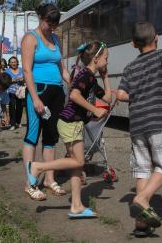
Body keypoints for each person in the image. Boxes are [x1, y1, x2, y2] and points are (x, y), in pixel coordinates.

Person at [27, 41, 111, 218]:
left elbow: (108, 98)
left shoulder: (91, 77)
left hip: (73, 123)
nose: (107, 61)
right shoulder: (85, 75)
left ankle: (76, 206)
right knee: (79, 163)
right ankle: (38, 167)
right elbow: (74, 95)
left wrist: (105, 76)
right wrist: (94, 109)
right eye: (106, 58)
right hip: (70, 122)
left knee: (76, 166)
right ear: (96, 58)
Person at [116, 22, 162, 236]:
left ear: (134, 43)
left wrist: (137, 95)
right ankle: (142, 199)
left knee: (142, 169)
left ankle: (141, 224)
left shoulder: (129, 67)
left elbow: (120, 95)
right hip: (158, 121)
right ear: (157, 37)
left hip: (137, 124)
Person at [21, 3, 71, 200]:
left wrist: (73, 84)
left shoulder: (56, 39)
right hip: (38, 90)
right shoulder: (30, 38)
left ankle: (50, 179)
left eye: (55, 24)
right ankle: (30, 182)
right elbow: (26, 70)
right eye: (49, 23)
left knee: (51, 137)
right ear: (40, 18)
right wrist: (35, 98)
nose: (52, 27)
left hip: (57, 92)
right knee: (32, 136)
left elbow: (62, 68)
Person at [5, 56, 24, 130]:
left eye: (14, 62)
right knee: (12, 107)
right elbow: (6, 81)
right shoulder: (7, 71)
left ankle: (18, 122)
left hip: (20, 91)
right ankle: (12, 124)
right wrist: (13, 80)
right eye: (12, 62)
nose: (13, 63)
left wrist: (22, 80)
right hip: (11, 92)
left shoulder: (21, 70)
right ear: (9, 63)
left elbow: (25, 79)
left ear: (17, 62)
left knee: (20, 107)